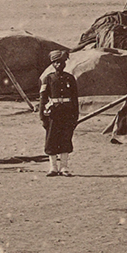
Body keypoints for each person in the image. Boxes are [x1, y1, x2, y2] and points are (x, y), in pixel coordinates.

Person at [39, 49, 79, 177]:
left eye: (62, 62)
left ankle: (64, 167)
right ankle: (53, 168)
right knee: (51, 139)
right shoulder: (48, 79)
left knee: (66, 138)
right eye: (56, 62)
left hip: (67, 113)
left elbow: (75, 98)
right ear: (53, 64)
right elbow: (43, 98)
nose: (60, 65)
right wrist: (42, 116)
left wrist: (75, 116)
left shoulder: (70, 78)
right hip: (53, 114)